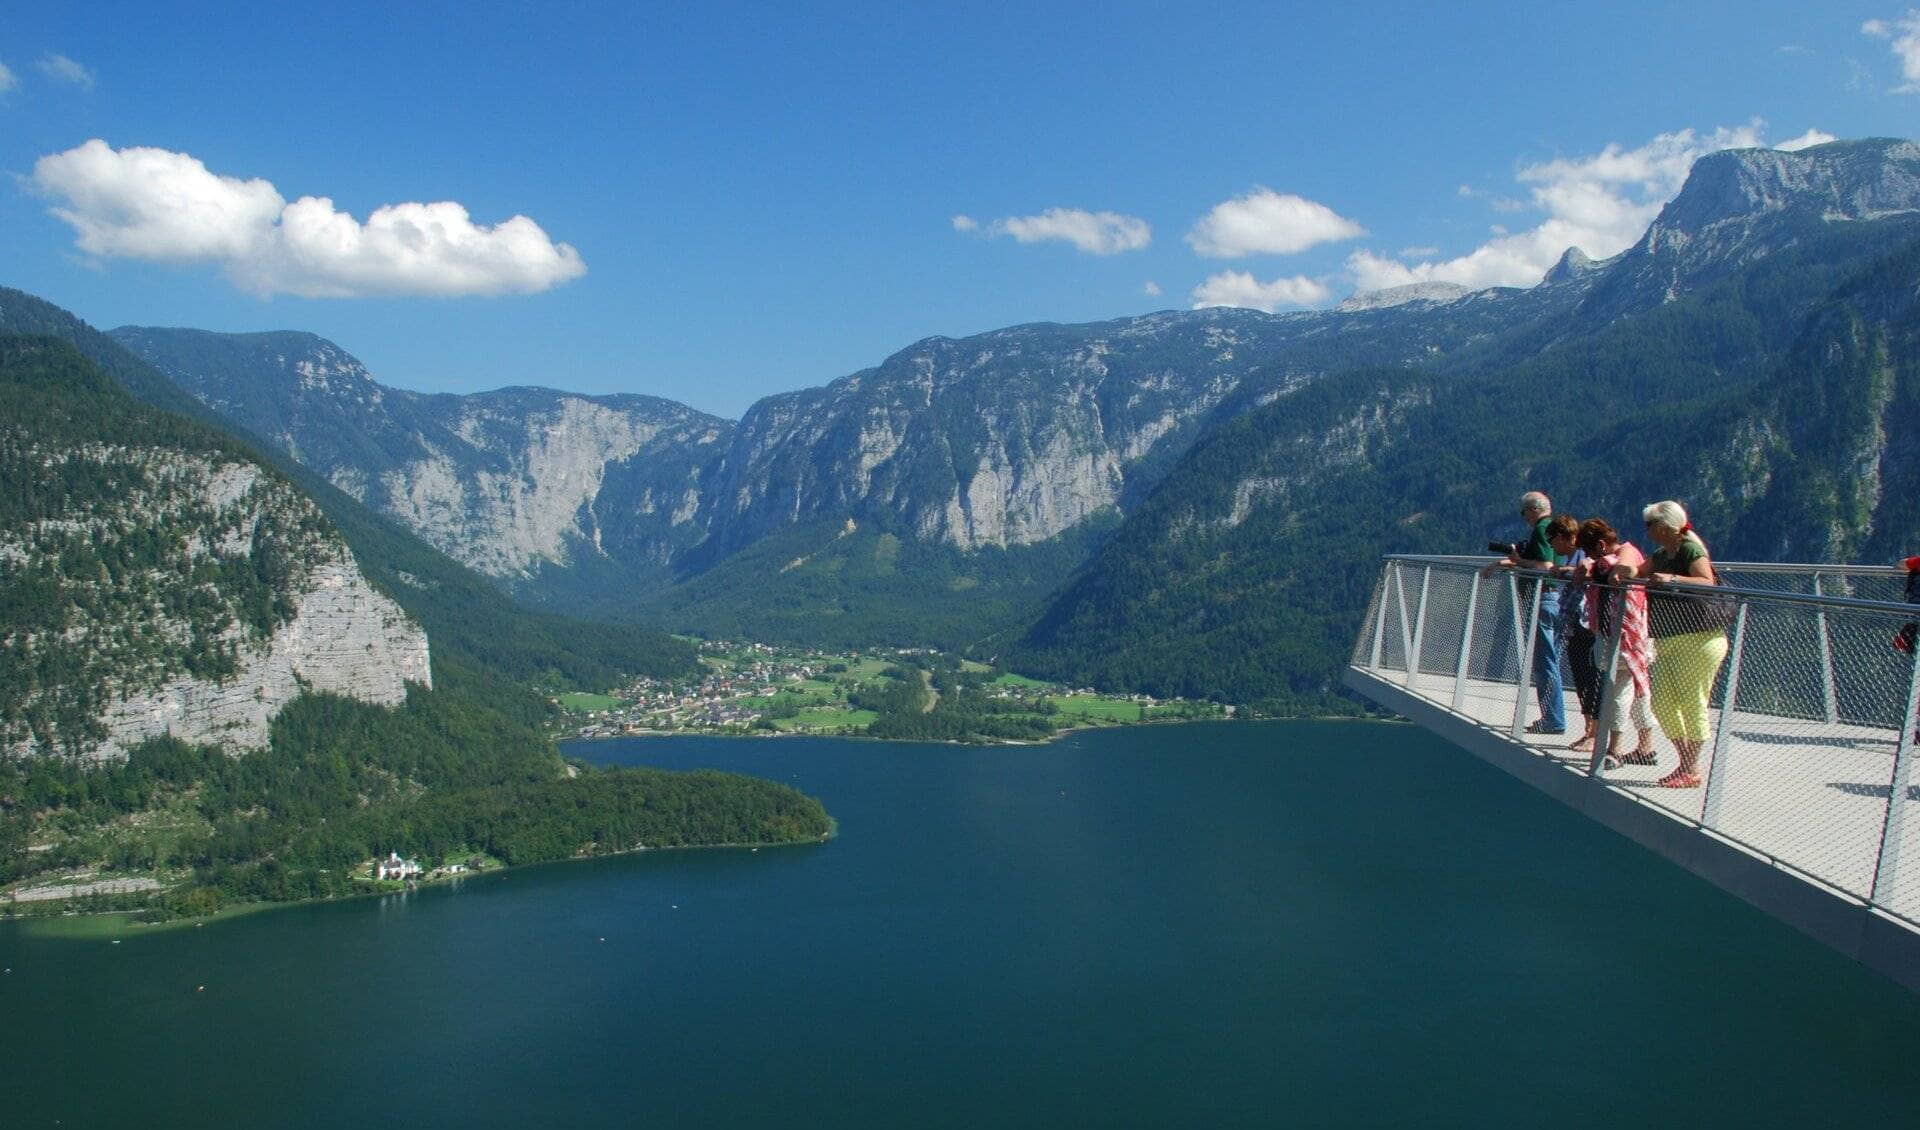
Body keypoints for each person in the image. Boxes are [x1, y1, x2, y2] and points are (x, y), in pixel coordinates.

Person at [1619, 501, 1729, 788]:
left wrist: (1672, 579)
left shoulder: (1690, 550)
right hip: (1669, 638)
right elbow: (1639, 572)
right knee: (1663, 703)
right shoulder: (1660, 554)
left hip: (1699, 638)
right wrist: (1616, 568)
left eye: (1650, 524)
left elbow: (1707, 581)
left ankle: (1691, 768)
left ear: (1665, 527)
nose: (1647, 529)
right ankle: (1686, 763)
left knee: (1693, 702)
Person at [1482, 491, 1567, 735]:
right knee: (1547, 660)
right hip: (1552, 598)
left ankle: (1553, 719)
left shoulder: (1542, 529)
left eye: (1524, 512)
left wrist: (1518, 562)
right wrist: (1504, 563)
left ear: (1533, 510)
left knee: (1544, 662)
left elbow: (1545, 567)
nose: (1524, 517)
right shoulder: (1553, 528)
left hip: (1542, 598)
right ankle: (1552, 717)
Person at [1577, 518, 1656, 765]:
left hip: (1624, 637)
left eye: (1590, 551)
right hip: (1629, 636)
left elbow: (1619, 574)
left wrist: (1595, 567)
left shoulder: (1626, 552)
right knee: (1636, 690)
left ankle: (1615, 749)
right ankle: (1645, 747)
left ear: (1601, 545)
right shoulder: (1616, 555)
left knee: (1619, 692)